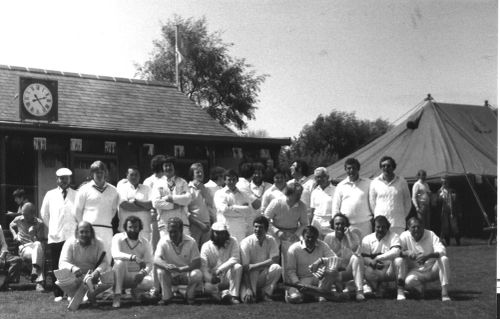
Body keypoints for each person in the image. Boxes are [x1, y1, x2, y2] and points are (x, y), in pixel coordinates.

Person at [40, 167, 78, 301]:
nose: (63, 181)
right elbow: (44, 214)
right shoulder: (50, 194)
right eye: (61, 178)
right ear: (57, 180)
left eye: (66, 178)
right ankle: (58, 293)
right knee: (57, 265)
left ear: (69, 179)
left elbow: (79, 214)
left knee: (71, 264)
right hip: (55, 236)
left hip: (72, 236)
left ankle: (70, 293)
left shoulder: (76, 194)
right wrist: (53, 227)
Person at [57, 221, 112, 308]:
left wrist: (97, 271)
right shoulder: (69, 243)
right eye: (81, 232)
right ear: (77, 233)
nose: (84, 234)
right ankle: (75, 295)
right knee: (61, 276)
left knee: (111, 278)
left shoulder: (99, 243)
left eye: (87, 232)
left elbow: (104, 262)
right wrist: (73, 268)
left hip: (92, 277)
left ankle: (90, 294)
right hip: (75, 277)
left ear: (91, 232)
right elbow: (62, 262)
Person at [73, 161, 120, 263]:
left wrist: (103, 221)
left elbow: (113, 210)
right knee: (89, 258)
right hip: (90, 230)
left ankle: (105, 279)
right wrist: (85, 227)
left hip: (106, 230)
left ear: (105, 173)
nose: (99, 174)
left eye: (101, 172)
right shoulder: (84, 189)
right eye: (96, 172)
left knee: (106, 259)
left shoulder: (114, 190)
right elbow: (77, 211)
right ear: (91, 174)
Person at [399, 217, 451, 301]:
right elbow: (397, 251)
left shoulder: (431, 234)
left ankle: (444, 293)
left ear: (423, 226)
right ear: (408, 228)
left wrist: (427, 256)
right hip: (416, 271)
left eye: (419, 227)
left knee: (444, 259)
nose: (416, 229)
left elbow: (442, 250)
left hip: (432, 269)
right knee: (408, 282)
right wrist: (407, 253)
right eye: (413, 227)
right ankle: (420, 289)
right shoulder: (404, 236)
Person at [264, 183, 308, 282]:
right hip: (275, 233)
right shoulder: (277, 202)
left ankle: (288, 286)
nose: (299, 196)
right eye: (297, 194)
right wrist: (277, 231)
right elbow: (265, 219)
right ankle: (270, 283)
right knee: (273, 257)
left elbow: (304, 224)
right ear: (289, 193)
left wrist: (296, 234)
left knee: (289, 260)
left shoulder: (302, 206)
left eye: (300, 194)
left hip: (291, 234)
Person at [154, 217, 202, 305]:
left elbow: (197, 263)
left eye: (175, 232)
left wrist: (181, 269)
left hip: (186, 274)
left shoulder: (191, 241)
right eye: (170, 232)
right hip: (170, 274)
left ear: (181, 230)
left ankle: (189, 295)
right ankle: (167, 297)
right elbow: (156, 259)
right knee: (160, 271)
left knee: (197, 273)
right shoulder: (163, 241)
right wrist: (166, 265)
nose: (172, 234)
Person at [286, 226, 339, 304]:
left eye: (313, 237)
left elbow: (335, 259)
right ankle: (297, 294)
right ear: (303, 236)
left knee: (332, 270)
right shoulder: (294, 249)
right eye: (308, 237)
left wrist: (321, 261)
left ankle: (321, 295)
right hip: (302, 280)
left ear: (317, 237)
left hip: (319, 279)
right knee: (296, 298)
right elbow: (291, 270)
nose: (310, 239)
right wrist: (297, 284)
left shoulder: (322, 245)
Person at [111, 216, 154, 308]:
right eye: (130, 227)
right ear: (125, 228)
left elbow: (149, 263)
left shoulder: (145, 242)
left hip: (135, 276)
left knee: (150, 282)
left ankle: (136, 291)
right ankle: (117, 296)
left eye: (135, 227)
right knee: (119, 263)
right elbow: (115, 254)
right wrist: (132, 257)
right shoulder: (117, 237)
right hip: (119, 276)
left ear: (140, 228)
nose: (133, 230)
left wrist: (143, 273)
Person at [359, 215, 404, 299]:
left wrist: (378, 258)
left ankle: (400, 291)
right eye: (378, 227)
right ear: (374, 227)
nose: (380, 229)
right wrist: (373, 263)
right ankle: (376, 288)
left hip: (390, 271)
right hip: (375, 269)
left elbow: (396, 252)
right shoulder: (367, 239)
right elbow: (364, 258)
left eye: (383, 227)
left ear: (388, 227)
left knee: (399, 260)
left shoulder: (394, 236)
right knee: (364, 266)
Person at [323, 214, 365, 301]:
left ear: (346, 225)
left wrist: (348, 236)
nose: (340, 226)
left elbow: (357, 252)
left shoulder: (353, 236)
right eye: (337, 224)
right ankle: (336, 288)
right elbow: (326, 260)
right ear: (333, 225)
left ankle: (359, 292)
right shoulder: (328, 238)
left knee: (357, 258)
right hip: (334, 272)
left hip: (348, 271)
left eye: (342, 224)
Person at [240, 216, 281, 303]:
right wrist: (248, 289)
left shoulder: (271, 240)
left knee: (276, 268)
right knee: (248, 300)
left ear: (266, 228)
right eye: (256, 227)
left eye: (261, 227)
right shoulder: (246, 242)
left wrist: (255, 266)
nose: (258, 229)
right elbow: (246, 268)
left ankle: (266, 293)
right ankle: (252, 292)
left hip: (263, 273)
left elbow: (275, 259)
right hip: (249, 276)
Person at [200, 222, 242, 304]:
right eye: (217, 233)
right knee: (207, 287)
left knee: (237, 267)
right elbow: (203, 267)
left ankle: (234, 296)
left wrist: (220, 269)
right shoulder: (206, 246)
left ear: (226, 233)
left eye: (223, 233)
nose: (220, 236)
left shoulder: (233, 241)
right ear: (212, 233)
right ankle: (223, 295)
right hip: (214, 280)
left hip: (229, 277)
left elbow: (235, 258)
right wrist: (211, 279)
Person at [369, 156, 411, 235]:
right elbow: (372, 203)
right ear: (381, 168)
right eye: (383, 166)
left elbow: (408, 201)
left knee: (397, 246)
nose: (386, 168)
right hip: (380, 224)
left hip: (398, 222)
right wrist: (378, 217)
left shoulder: (402, 182)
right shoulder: (375, 182)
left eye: (388, 166)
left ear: (393, 167)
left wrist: (401, 215)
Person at [332, 158, 373, 238]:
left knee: (366, 248)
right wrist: (336, 224)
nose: (351, 170)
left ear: (358, 169)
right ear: (345, 170)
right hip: (347, 226)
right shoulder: (340, 186)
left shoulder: (369, 183)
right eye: (349, 168)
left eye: (354, 168)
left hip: (365, 224)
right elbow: (335, 207)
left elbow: (374, 202)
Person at [9, 202, 45, 291]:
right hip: (24, 248)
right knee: (39, 256)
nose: (24, 217)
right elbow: (10, 225)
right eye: (23, 214)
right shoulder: (18, 219)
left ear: (33, 214)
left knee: (38, 245)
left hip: (35, 246)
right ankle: (38, 281)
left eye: (26, 215)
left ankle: (35, 272)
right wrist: (15, 234)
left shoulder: (39, 223)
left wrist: (33, 235)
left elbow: (40, 240)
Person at [152, 156, 191, 237]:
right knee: (167, 247)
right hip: (165, 223)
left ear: (174, 167)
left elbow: (187, 199)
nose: (168, 168)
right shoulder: (157, 183)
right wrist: (174, 205)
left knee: (184, 247)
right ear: (162, 168)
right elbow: (156, 203)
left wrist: (169, 198)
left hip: (182, 221)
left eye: (170, 165)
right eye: (166, 166)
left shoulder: (182, 182)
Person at [214, 169, 253, 243]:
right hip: (225, 229)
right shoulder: (219, 193)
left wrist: (232, 207)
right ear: (225, 181)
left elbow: (249, 211)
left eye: (233, 179)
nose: (231, 182)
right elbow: (225, 210)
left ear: (237, 180)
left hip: (241, 230)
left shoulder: (244, 194)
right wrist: (242, 209)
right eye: (229, 180)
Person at [116, 166, 153, 243]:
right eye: (131, 174)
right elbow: (125, 205)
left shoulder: (147, 188)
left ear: (139, 176)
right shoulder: (122, 187)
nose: (134, 177)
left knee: (145, 254)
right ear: (127, 176)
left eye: (136, 174)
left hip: (144, 230)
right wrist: (144, 207)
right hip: (126, 230)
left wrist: (137, 202)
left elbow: (151, 205)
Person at [187, 163, 215, 248]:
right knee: (193, 251)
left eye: (202, 172)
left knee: (205, 251)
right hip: (194, 225)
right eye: (197, 172)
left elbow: (211, 204)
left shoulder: (206, 189)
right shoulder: (187, 189)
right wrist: (199, 224)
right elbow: (185, 212)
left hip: (207, 225)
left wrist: (203, 190)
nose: (200, 174)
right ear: (192, 174)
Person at [310, 167, 336, 237]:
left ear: (327, 177)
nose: (319, 179)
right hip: (316, 225)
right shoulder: (314, 192)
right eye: (317, 177)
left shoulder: (336, 190)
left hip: (330, 225)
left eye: (322, 177)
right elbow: (312, 211)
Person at [437, 175, 461, 246]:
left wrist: (455, 198)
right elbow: (437, 202)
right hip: (444, 211)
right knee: (446, 227)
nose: (445, 183)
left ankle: (458, 242)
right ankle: (448, 243)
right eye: (443, 182)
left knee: (454, 226)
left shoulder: (452, 190)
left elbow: (457, 201)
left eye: (446, 182)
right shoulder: (440, 191)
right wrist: (440, 198)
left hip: (452, 210)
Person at [0, 224, 22, 290]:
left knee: (17, 260)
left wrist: (1, 257)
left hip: (2, 253)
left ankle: (5, 282)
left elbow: (4, 244)